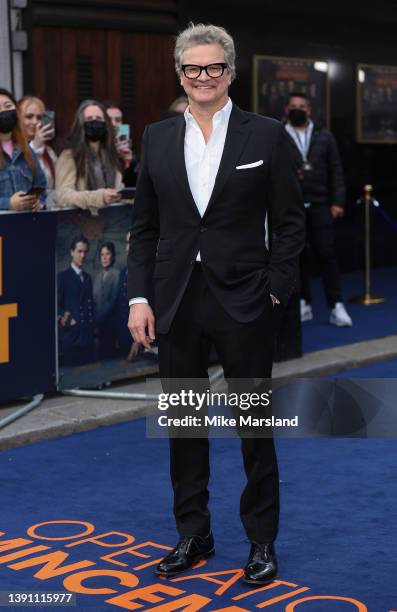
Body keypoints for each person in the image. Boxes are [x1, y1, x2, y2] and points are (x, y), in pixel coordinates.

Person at [127, 23, 304, 584]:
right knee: (184, 425)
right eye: (192, 69)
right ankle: (193, 534)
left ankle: (261, 542)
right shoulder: (156, 137)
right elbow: (144, 229)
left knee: (254, 428)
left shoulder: (267, 135)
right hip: (175, 299)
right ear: (180, 73)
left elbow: (292, 222)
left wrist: (275, 288)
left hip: (246, 299)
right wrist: (138, 296)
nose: (203, 77)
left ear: (230, 71)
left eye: (213, 68)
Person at [284, 92, 352, 327]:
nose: (297, 109)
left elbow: (336, 170)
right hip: (291, 206)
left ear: (309, 110)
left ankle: (336, 305)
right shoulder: (278, 134)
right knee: (297, 256)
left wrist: (338, 202)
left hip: (321, 203)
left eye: (302, 106)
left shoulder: (324, 136)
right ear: (286, 109)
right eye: (293, 106)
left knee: (326, 254)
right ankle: (304, 302)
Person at [55, 99, 123, 214]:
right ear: (81, 123)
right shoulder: (69, 155)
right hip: (80, 225)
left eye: (98, 119)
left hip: (111, 224)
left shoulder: (111, 154)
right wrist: (98, 197)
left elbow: (118, 188)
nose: (94, 122)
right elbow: (63, 196)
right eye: (89, 119)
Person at [0, 88, 46, 212]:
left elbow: (41, 185)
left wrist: (38, 202)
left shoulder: (26, 149)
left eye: (8, 106)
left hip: (27, 225)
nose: (3, 111)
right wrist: (8, 203)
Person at [58, 235, 95, 366]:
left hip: (87, 336)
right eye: (79, 251)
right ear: (72, 252)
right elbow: (56, 307)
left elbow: (90, 305)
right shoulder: (62, 277)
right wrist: (70, 321)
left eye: (85, 252)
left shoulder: (88, 278)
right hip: (71, 337)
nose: (82, 255)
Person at [18, 95, 58, 205]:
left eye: (39, 117)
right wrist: (35, 146)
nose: (35, 122)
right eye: (29, 116)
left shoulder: (49, 150)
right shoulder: (12, 149)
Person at [115, 232, 141, 360]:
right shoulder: (122, 273)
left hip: (140, 341)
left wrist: (137, 342)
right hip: (123, 338)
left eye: (132, 242)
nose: (128, 247)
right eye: (127, 243)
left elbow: (152, 307)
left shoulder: (148, 271)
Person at [103, 99, 139, 188]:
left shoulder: (128, 149)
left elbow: (134, 186)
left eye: (118, 120)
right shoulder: (92, 148)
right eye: (108, 119)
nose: (113, 124)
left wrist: (130, 164)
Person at [93, 241, 120, 359]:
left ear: (112, 256)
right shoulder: (97, 277)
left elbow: (113, 301)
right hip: (98, 328)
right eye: (102, 255)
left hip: (112, 327)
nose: (104, 258)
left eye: (107, 254)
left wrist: (98, 319)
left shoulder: (117, 274)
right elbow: (94, 300)